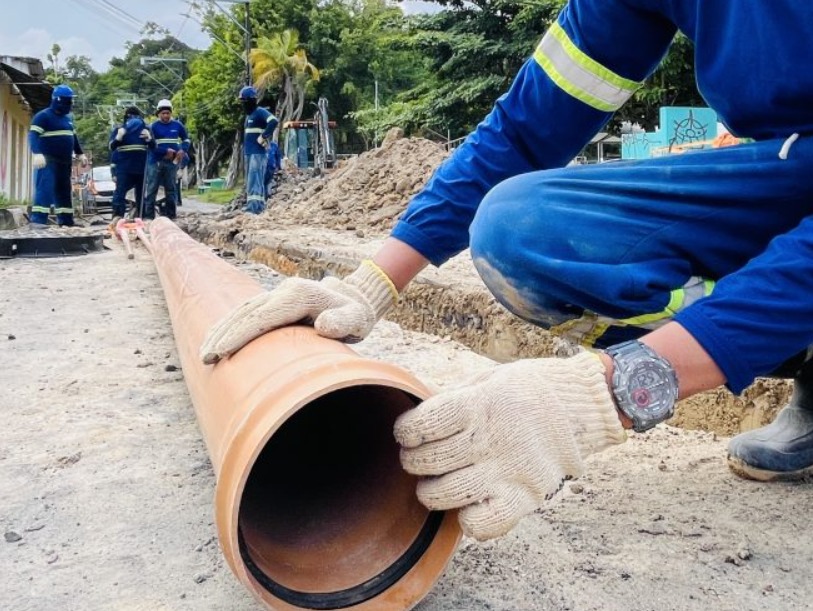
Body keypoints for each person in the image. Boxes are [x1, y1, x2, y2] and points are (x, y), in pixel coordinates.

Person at [199, 2, 813, 541]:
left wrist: (612, 391)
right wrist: (371, 283)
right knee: (521, 232)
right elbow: (523, 130)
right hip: (786, 172)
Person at [28, 84, 87, 227]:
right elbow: (33, 135)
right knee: (45, 189)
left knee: (64, 190)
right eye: (68, 101)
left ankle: (66, 220)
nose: (70, 104)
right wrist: (37, 153)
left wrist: (80, 153)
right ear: (58, 99)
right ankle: (37, 220)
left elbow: (73, 138)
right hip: (48, 161)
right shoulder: (43, 116)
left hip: (64, 161)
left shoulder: (68, 119)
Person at [142, 99, 190, 221]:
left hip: (172, 162)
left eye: (168, 113)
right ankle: (149, 216)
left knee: (171, 188)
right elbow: (150, 145)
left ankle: (171, 215)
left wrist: (182, 150)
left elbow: (186, 139)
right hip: (156, 162)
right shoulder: (152, 127)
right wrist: (164, 152)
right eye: (163, 113)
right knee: (152, 188)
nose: (166, 116)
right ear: (158, 113)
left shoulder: (178, 125)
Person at [108, 106, 152, 223]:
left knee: (141, 194)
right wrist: (118, 138)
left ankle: (141, 217)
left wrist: (149, 139)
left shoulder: (145, 129)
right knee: (120, 193)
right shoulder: (120, 130)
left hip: (141, 167)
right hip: (124, 168)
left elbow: (154, 147)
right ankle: (117, 217)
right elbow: (112, 147)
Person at [238, 86, 278, 214]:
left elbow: (273, 121)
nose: (243, 105)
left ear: (250, 101)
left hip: (257, 153)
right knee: (252, 180)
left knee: (255, 179)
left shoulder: (260, 112)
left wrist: (264, 136)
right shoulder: (249, 117)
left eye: (244, 101)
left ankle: (254, 208)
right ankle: (257, 206)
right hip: (250, 153)